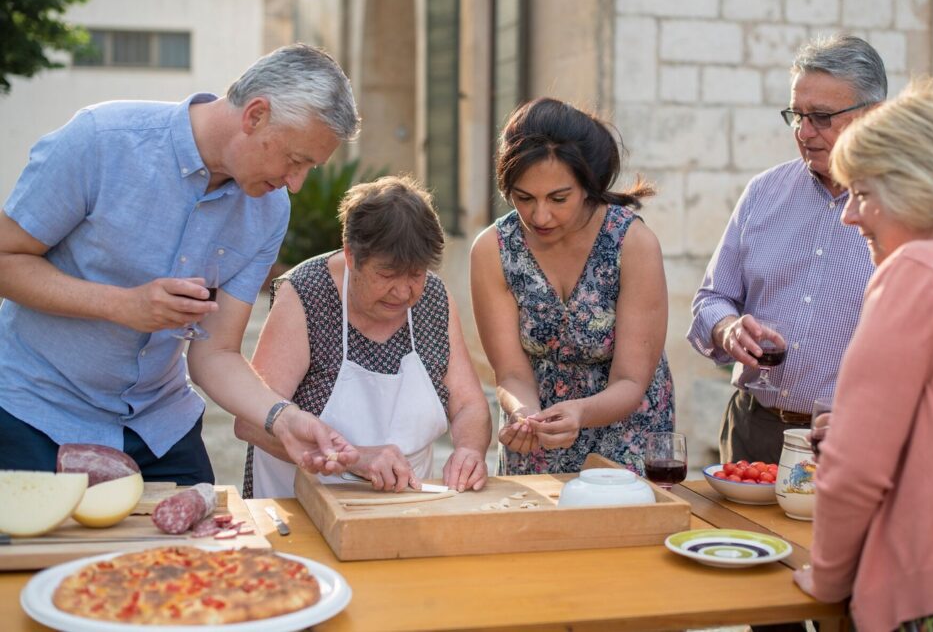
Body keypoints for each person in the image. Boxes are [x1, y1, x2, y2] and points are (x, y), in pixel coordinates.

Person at [0, 44, 361, 484]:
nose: (297, 183)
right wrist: (121, 305)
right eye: (295, 160)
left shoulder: (270, 210)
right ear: (256, 115)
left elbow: (216, 353)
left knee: (208, 550)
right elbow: (6, 256)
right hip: (33, 411)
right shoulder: (100, 140)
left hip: (158, 423)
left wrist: (282, 419)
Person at [793, 78, 933, 631]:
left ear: (914, 187)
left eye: (863, 193)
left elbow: (854, 469)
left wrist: (826, 578)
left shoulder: (917, 270)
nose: (850, 215)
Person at [687, 34, 885, 464]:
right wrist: (727, 329)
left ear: (873, 115)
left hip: (848, 442)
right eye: (796, 115)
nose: (804, 131)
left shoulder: (905, 208)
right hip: (750, 428)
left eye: (821, 117)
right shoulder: (763, 192)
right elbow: (711, 299)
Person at [238, 176, 492, 498]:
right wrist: (354, 458)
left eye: (416, 275)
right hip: (299, 502)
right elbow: (250, 422)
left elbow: (469, 403)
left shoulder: (433, 297)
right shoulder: (306, 294)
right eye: (386, 275)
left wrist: (470, 449)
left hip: (404, 506)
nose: (403, 292)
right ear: (351, 255)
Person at [470, 97, 675, 476]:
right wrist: (525, 414)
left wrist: (581, 411)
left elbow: (631, 379)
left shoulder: (632, 244)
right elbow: (511, 373)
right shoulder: (492, 250)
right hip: (539, 432)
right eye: (523, 198)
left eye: (558, 198)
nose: (539, 215)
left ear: (588, 185)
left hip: (625, 426)